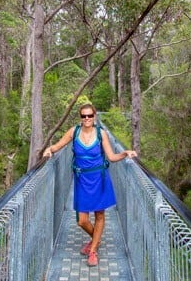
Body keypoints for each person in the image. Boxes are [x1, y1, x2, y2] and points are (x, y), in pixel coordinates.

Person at [43, 103, 137, 267]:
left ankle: (93, 250)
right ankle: (96, 239)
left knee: (99, 215)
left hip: (99, 178)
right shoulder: (74, 132)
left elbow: (111, 157)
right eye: (83, 116)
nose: (87, 119)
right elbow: (57, 146)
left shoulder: (101, 134)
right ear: (80, 118)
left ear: (94, 117)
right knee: (82, 220)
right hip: (81, 179)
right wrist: (49, 150)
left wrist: (125, 153)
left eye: (90, 116)